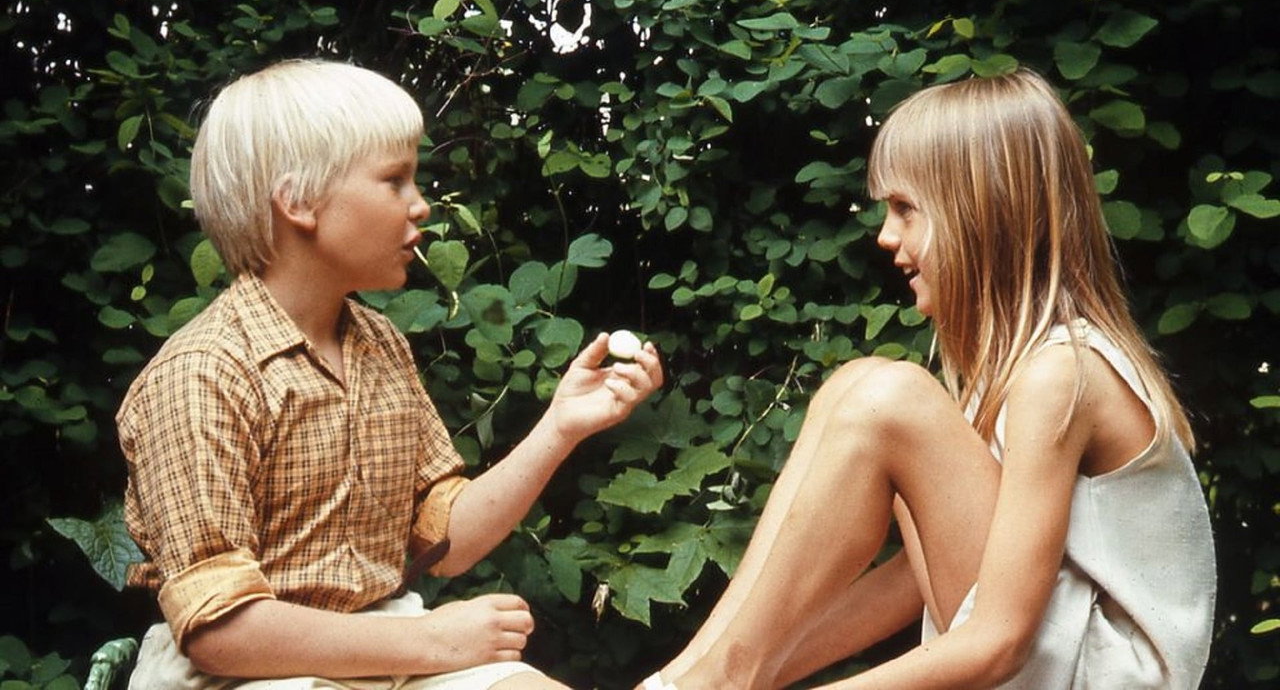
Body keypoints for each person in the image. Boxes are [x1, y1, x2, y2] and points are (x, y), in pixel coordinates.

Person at [639, 69, 1214, 689]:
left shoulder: (1062, 374)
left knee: (890, 400)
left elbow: (997, 641)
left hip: (1095, 677)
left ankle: (714, 682)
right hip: (1061, 662)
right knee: (855, 384)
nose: (885, 236)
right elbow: (915, 583)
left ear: (983, 212)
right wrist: (768, 673)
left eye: (905, 209)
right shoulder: (1015, 374)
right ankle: (694, 679)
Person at [117, 58, 663, 690]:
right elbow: (221, 634)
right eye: (395, 180)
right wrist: (433, 639)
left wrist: (561, 427)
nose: (421, 206)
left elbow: (447, 540)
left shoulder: (379, 345)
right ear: (298, 202)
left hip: (387, 649)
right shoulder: (201, 375)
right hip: (247, 677)